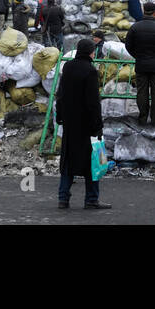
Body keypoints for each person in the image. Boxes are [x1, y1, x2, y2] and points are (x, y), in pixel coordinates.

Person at [55, 38, 110, 210]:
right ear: (90, 52)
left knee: (68, 161)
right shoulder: (90, 71)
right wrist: (98, 125)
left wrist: (60, 115)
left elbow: (60, 94)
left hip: (70, 123)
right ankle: (91, 199)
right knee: (92, 162)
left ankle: (63, 198)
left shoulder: (68, 67)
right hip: (86, 125)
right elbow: (93, 102)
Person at [124, 2, 155, 125]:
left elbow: (128, 46)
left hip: (141, 64)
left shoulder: (135, 27)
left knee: (142, 92)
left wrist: (138, 56)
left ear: (144, 11)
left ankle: (143, 118)